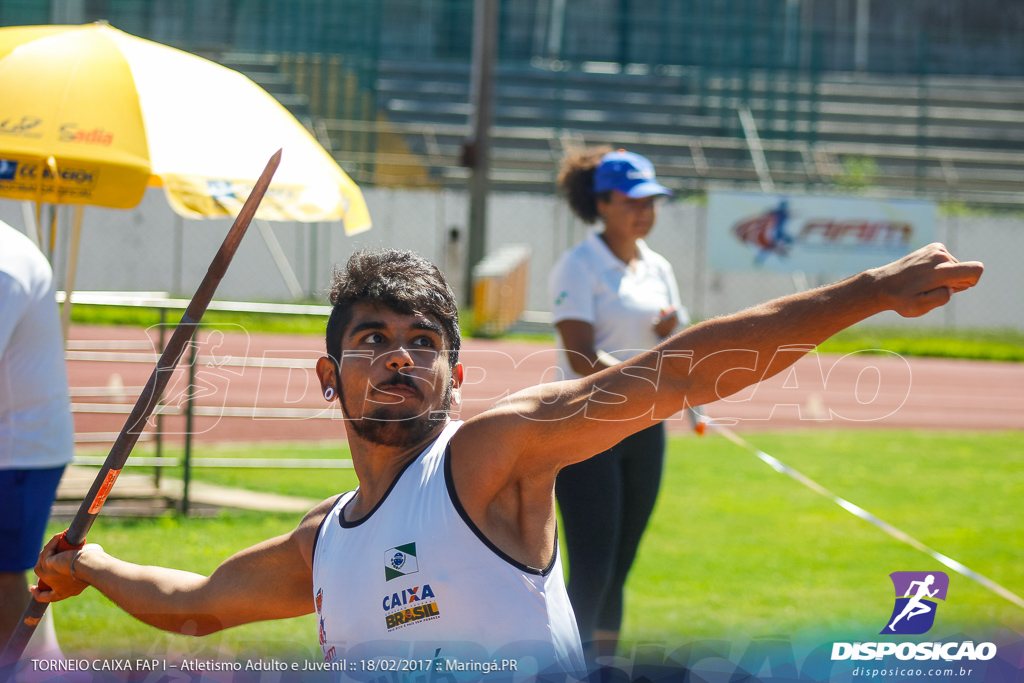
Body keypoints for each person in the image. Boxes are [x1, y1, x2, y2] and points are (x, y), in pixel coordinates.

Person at [32, 245, 981, 678]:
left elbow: (677, 372)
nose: (398, 356)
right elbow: (195, 606)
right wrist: (92, 565)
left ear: (455, 369)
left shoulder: (488, 459)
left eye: (421, 341)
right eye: (371, 340)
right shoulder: (324, 542)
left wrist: (869, 289)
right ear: (330, 375)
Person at [548, 147, 687, 658]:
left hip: (645, 430)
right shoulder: (577, 266)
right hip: (588, 428)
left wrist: (672, 334)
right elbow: (580, 355)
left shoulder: (658, 267)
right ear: (603, 202)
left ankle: (601, 666)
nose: (645, 210)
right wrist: (648, 381)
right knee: (592, 566)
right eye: (634, 200)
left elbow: (674, 341)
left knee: (621, 565)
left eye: (652, 200)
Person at [0, 220, 75, 655]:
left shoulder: (6, 264)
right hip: (20, 442)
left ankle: (32, 667)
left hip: (18, 449)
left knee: (5, 575)